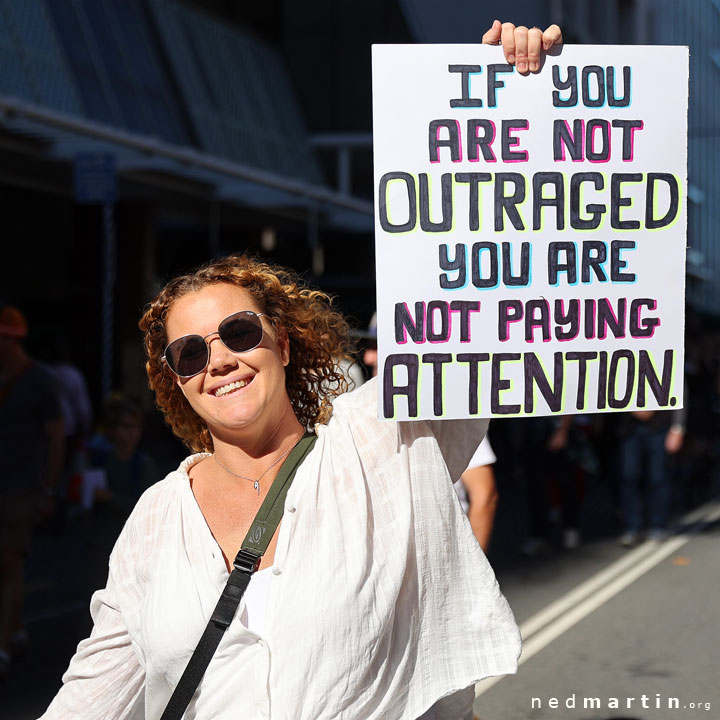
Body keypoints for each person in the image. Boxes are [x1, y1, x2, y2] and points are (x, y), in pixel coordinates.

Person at [42, 23, 562, 719]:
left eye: (237, 331)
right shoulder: (155, 520)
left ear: (284, 343)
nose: (217, 358)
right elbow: (89, 699)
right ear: (175, 378)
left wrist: (508, 99)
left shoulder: (381, 440)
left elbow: (482, 306)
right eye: (189, 352)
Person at [0, 307, 64, 677]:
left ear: (14, 339)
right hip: (11, 486)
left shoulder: (40, 380)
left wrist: (48, 488)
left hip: (21, 488)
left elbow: (56, 436)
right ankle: (15, 627)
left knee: (10, 563)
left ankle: (4, 644)